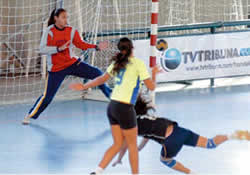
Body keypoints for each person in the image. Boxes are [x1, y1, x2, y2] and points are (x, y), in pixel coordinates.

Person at [70, 37, 161, 174]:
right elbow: (151, 87)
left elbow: (101, 79)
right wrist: (154, 75)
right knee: (132, 146)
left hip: (112, 107)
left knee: (118, 144)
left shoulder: (117, 63)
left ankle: (97, 171)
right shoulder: (138, 64)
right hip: (125, 108)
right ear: (132, 48)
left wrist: (84, 85)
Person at [112, 94, 250, 174]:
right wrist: (139, 149)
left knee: (164, 160)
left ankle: (192, 173)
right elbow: (147, 137)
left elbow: (124, 145)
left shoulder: (132, 126)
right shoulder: (145, 118)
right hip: (180, 131)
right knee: (210, 143)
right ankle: (233, 135)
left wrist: (119, 159)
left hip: (171, 139)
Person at [22, 8, 112, 125]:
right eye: (63, 17)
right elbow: (42, 49)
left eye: (67, 17)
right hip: (57, 69)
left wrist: (96, 47)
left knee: (98, 74)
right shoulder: (49, 31)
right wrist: (58, 49)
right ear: (56, 18)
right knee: (48, 97)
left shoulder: (71, 30)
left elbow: (81, 44)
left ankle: (115, 101)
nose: (66, 20)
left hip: (73, 64)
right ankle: (30, 115)